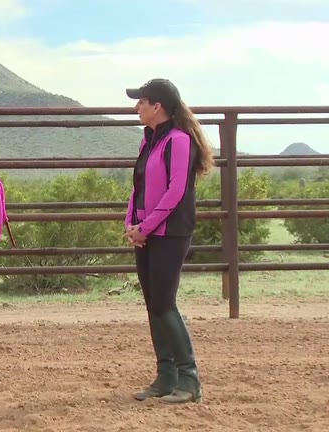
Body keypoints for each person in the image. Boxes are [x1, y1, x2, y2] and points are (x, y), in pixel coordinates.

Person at [123, 78, 215, 404]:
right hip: (147, 231)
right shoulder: (148, 142)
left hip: (170, 232)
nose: (137, 107)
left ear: (157, 106)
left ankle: (189, 380)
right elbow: (138, 187)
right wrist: (131, 223)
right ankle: (165, 378)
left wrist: (145, 227)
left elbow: (176, 191)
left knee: (164, 303)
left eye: (142, 101)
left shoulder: (179, 141)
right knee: (154, 304)